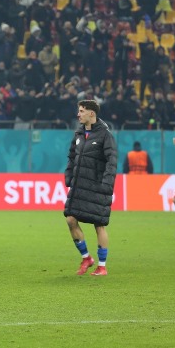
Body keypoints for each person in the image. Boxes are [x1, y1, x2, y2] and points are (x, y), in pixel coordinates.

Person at [64, 100, 118, 276]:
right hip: (79, 187)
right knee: (70, 219)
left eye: (81, 111)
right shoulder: (78, 134)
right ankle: (86, 258)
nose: (78, 114)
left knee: (99, 225)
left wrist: (107, 184)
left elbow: (111, 161)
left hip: (97, 187)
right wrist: (69, 176)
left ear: (91, 113)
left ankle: (102, 266)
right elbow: (72, 157)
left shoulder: (105, 135)